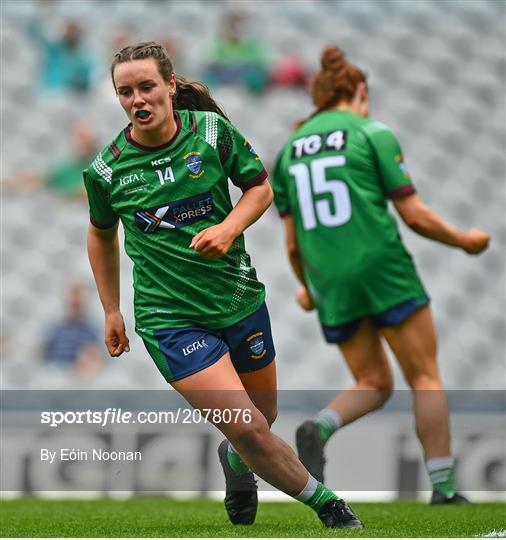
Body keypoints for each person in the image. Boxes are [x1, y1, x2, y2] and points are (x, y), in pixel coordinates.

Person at [84, 41, 362, 529]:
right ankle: (330, 506)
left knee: (262, 421)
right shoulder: (106, 170)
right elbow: (100, 233)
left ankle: (236, 462)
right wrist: (111, 308)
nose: (137, 100)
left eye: (147, 86)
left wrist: (230, 227)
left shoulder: (213, 133)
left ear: (170, 86)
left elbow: (260, 188)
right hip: (169, 319)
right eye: (125, 92)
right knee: (249, 427)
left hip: (237, 299)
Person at [271, 45, 490, 504]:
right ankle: (445, 488)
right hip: (381, 265)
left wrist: (308, 290)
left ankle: (319, 426)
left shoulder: (289, 152)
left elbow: (292, 244)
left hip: (330, 280)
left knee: (372, 381)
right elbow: (414, 216)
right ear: (360, 91)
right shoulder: (372, 131)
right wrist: (463, 240)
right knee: (425, 376)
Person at [42, 282, 103, 380]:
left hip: (80, 376)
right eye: (72, 304)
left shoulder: (91, 330)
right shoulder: (55, 329)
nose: (75, 307)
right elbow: (43, 354)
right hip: (54, 376)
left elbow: (97, 356)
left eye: (77, 305)